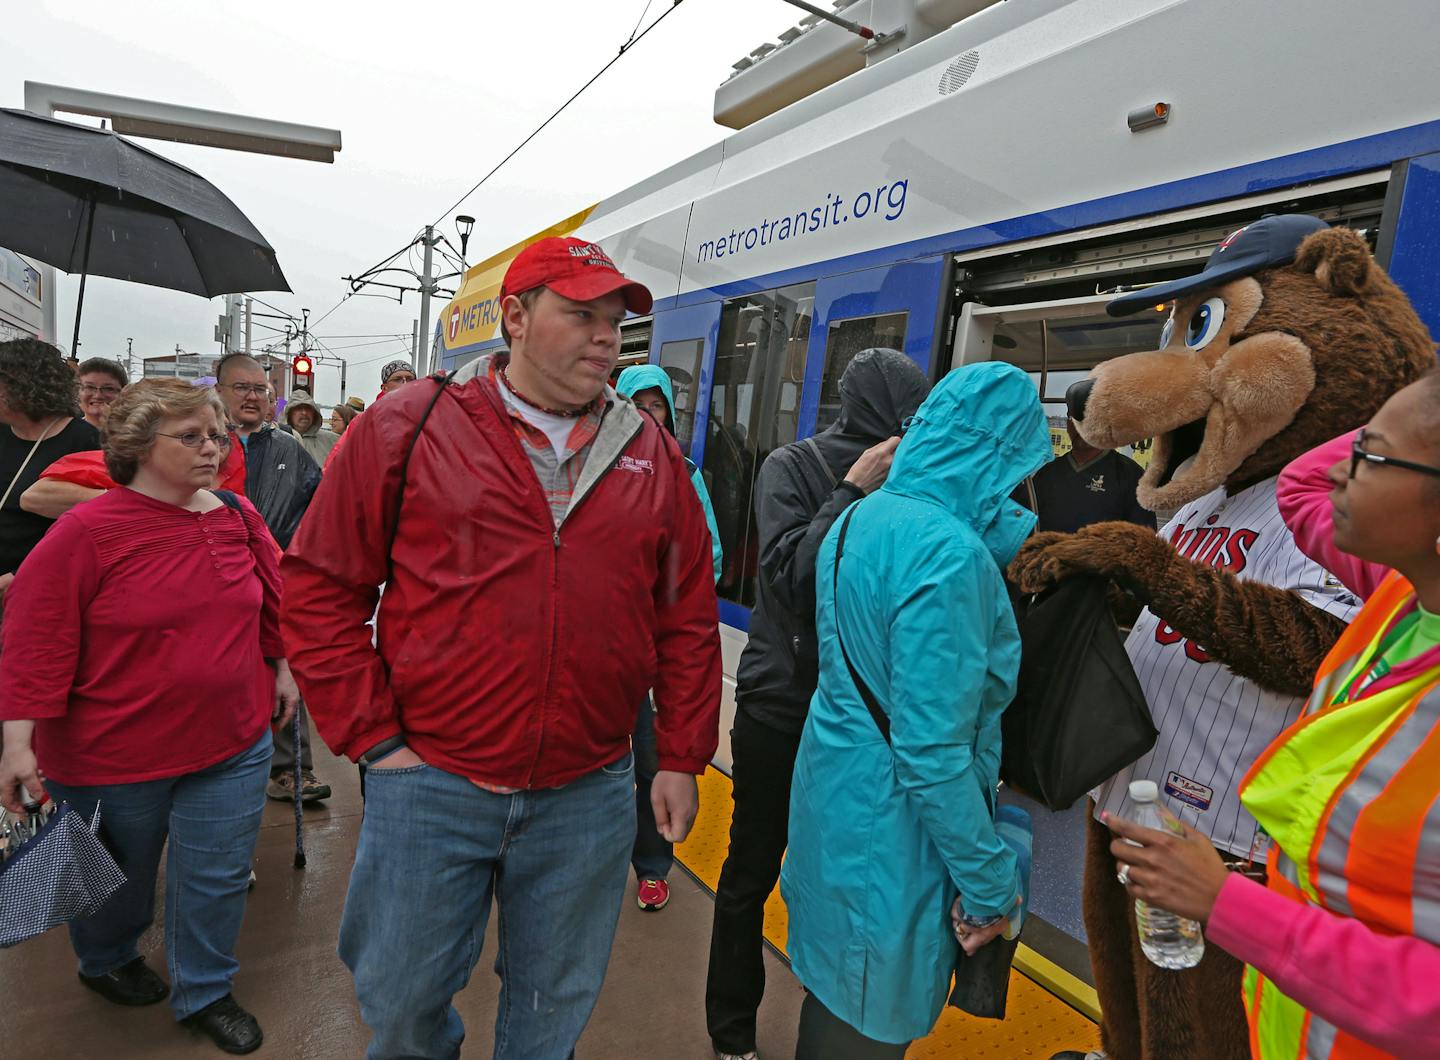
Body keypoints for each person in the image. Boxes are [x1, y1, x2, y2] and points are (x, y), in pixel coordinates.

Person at [280, 236, 722, 1060]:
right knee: (404, 1000)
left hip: (586, 793)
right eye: (581, 314)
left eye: (616, 322)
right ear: (515, 318)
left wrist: (681, 754)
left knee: (554, 1006)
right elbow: (319, 587)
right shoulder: (408, 426)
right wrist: (373, 738)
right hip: (432, 783)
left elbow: (686, 618)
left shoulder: (648, 451)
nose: (606, 338)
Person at [1108, 373, 1440, 1059]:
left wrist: (1226, 903)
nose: (1339, 473)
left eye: (1369, 456)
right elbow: (1300, 486)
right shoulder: (1400, 600)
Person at [0, 378, 300, 1055]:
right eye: (190, 436)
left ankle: (207, 990)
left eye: (216, 436)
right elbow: (34, 638)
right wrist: (18, 742)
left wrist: (284, 666)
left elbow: (276, 596)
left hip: (233, 741)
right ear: (138, 445)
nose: (212, 448)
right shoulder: (86, 531)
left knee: (217, 876)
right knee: (118, 879)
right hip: (114, 755)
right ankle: (106, 958)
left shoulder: (235, 515)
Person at [778, 362, 1048, 1056]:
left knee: (832, 997)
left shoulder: (861, 517)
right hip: (893, 838)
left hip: (833, 804)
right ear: (997, 454)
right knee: (863, 1024)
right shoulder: (950, 556)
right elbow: (931, 753)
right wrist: (990, 884)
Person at [706, 347, 930, 1060]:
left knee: (839, 882)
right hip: (784, 709)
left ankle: (824, 1024)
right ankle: (732, 1029)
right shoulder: (791, 467)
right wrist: (853, 491)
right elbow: (790, 579)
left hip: (858, 722)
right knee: (751, 870)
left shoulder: (914, 479)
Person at [615, 363, 723, 912]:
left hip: (657, 646)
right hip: (610, 647)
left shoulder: (686, 473)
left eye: (657, 406)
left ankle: (652, 867)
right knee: (605, 762)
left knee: (655, 761)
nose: (647, 416)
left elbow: (711, 556)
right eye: (637, 405)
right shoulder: (599, 465)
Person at [214, 353, 327, 803]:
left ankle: (291, 770)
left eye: (260, 389)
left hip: (277, 577)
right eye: (242, 388)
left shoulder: (287, 447)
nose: (252, 397)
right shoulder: (205, 440)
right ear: (220, 391)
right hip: (218, 580)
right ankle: (223, 768)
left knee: (286, 668)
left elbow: (319, 505)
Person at [0, 338, 100, 602]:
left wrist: (20, 574)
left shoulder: (85, 440)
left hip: (39, 586)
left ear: (24, 384)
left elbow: (89, 529)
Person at [1026, 418, 1155, 533]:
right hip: (1048, 558)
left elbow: (1143, 541)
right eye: (1077, 419)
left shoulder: (1130, 475)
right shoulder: (1048, 473)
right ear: (1068, 423)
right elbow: (1026, 527)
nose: (1082, 427)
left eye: (1091, 419)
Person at [283, 390, 340, 466]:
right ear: (289, 413)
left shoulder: (332, 440)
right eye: (299, 408)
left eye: (308, 408)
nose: (304, 413)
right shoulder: (278, 441)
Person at [77, 357, 128, 430]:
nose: (98, 395)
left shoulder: (139, 435)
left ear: (123, 393)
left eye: (108, 389)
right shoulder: (64, 434)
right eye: (90, 387)